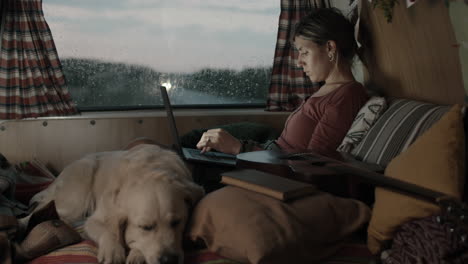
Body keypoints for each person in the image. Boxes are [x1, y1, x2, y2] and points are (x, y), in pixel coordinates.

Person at [196, 8, 369, 159]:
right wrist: (236, 146)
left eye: (305, 52)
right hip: (269, 155)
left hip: (277, 170)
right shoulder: (327, 89)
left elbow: (312, 165)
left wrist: (239, 148)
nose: (298, 62)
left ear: (330, 48)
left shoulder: (348, 94)